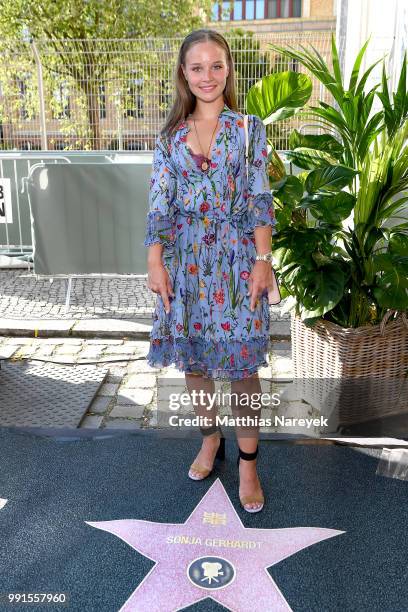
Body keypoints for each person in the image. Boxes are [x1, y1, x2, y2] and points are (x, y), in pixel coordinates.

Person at [144, 29, 277, 513]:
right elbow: (160, 204)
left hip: (239, 264)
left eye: (215, 66)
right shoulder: (170, 137)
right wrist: (155, 262)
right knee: (196, 365)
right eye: (196, 67)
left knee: (241, 371)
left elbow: (260, 198)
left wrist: (264, 262)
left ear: (228, 70)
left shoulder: (248, 129)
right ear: (184, 73)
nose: (207, 76)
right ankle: (209, 439)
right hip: (185, 264)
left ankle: (247, 462)